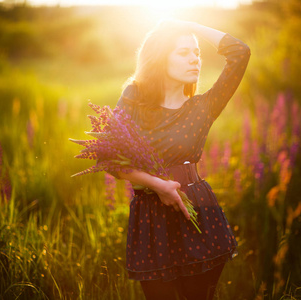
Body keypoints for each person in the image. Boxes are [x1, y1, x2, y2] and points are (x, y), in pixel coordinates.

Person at [114, 19, 250, 300]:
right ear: (160, 57)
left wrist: (189, 24)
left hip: (197, 212)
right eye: (183, 52)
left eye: (197, 53)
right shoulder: (134, 97)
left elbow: (240, 52)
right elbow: (110, 158)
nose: (194, 60)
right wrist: (156, 185)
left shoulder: (204, 106)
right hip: (150, 217)